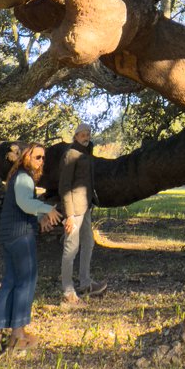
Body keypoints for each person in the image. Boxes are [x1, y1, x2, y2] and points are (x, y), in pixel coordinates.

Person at [0, 142, 61, 353]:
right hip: (19, 236)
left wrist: (39, 218)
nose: (41, 162)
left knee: (10, 282)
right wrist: (47, 209)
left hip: (9, 234)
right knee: (27, 281)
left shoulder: (18, 177)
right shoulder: (23, 177)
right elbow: (25, 203)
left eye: (43, 158)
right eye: (37, 157)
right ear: (26, 157)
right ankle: (18, 334)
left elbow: (24, 206)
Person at [59, 121, 107, 303]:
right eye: (82, 134)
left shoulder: (87, 153)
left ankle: (85, 282)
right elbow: (64, 186)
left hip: (85, 206)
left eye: (88, 134)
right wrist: (69, 215)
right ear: (76, 136)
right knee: (71, 248)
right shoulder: (70, 154)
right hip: (74, 210)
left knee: (89, 243)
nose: (86, 137)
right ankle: (67, 290)